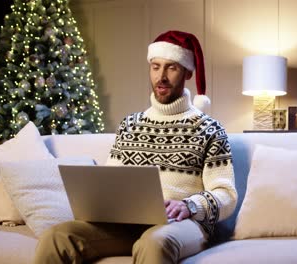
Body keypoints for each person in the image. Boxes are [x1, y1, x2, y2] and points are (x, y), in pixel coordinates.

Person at [34, 30, 238, 264]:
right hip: (127, 224)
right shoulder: (131, 124)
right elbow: (111, 180)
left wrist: (190, 205)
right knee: (57, 236)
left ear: (187, 72)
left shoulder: (209, 128)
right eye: (155, 67)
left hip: (184, 225)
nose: (161, 76)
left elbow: (227, 194)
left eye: (171, 68)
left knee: (153, 243)